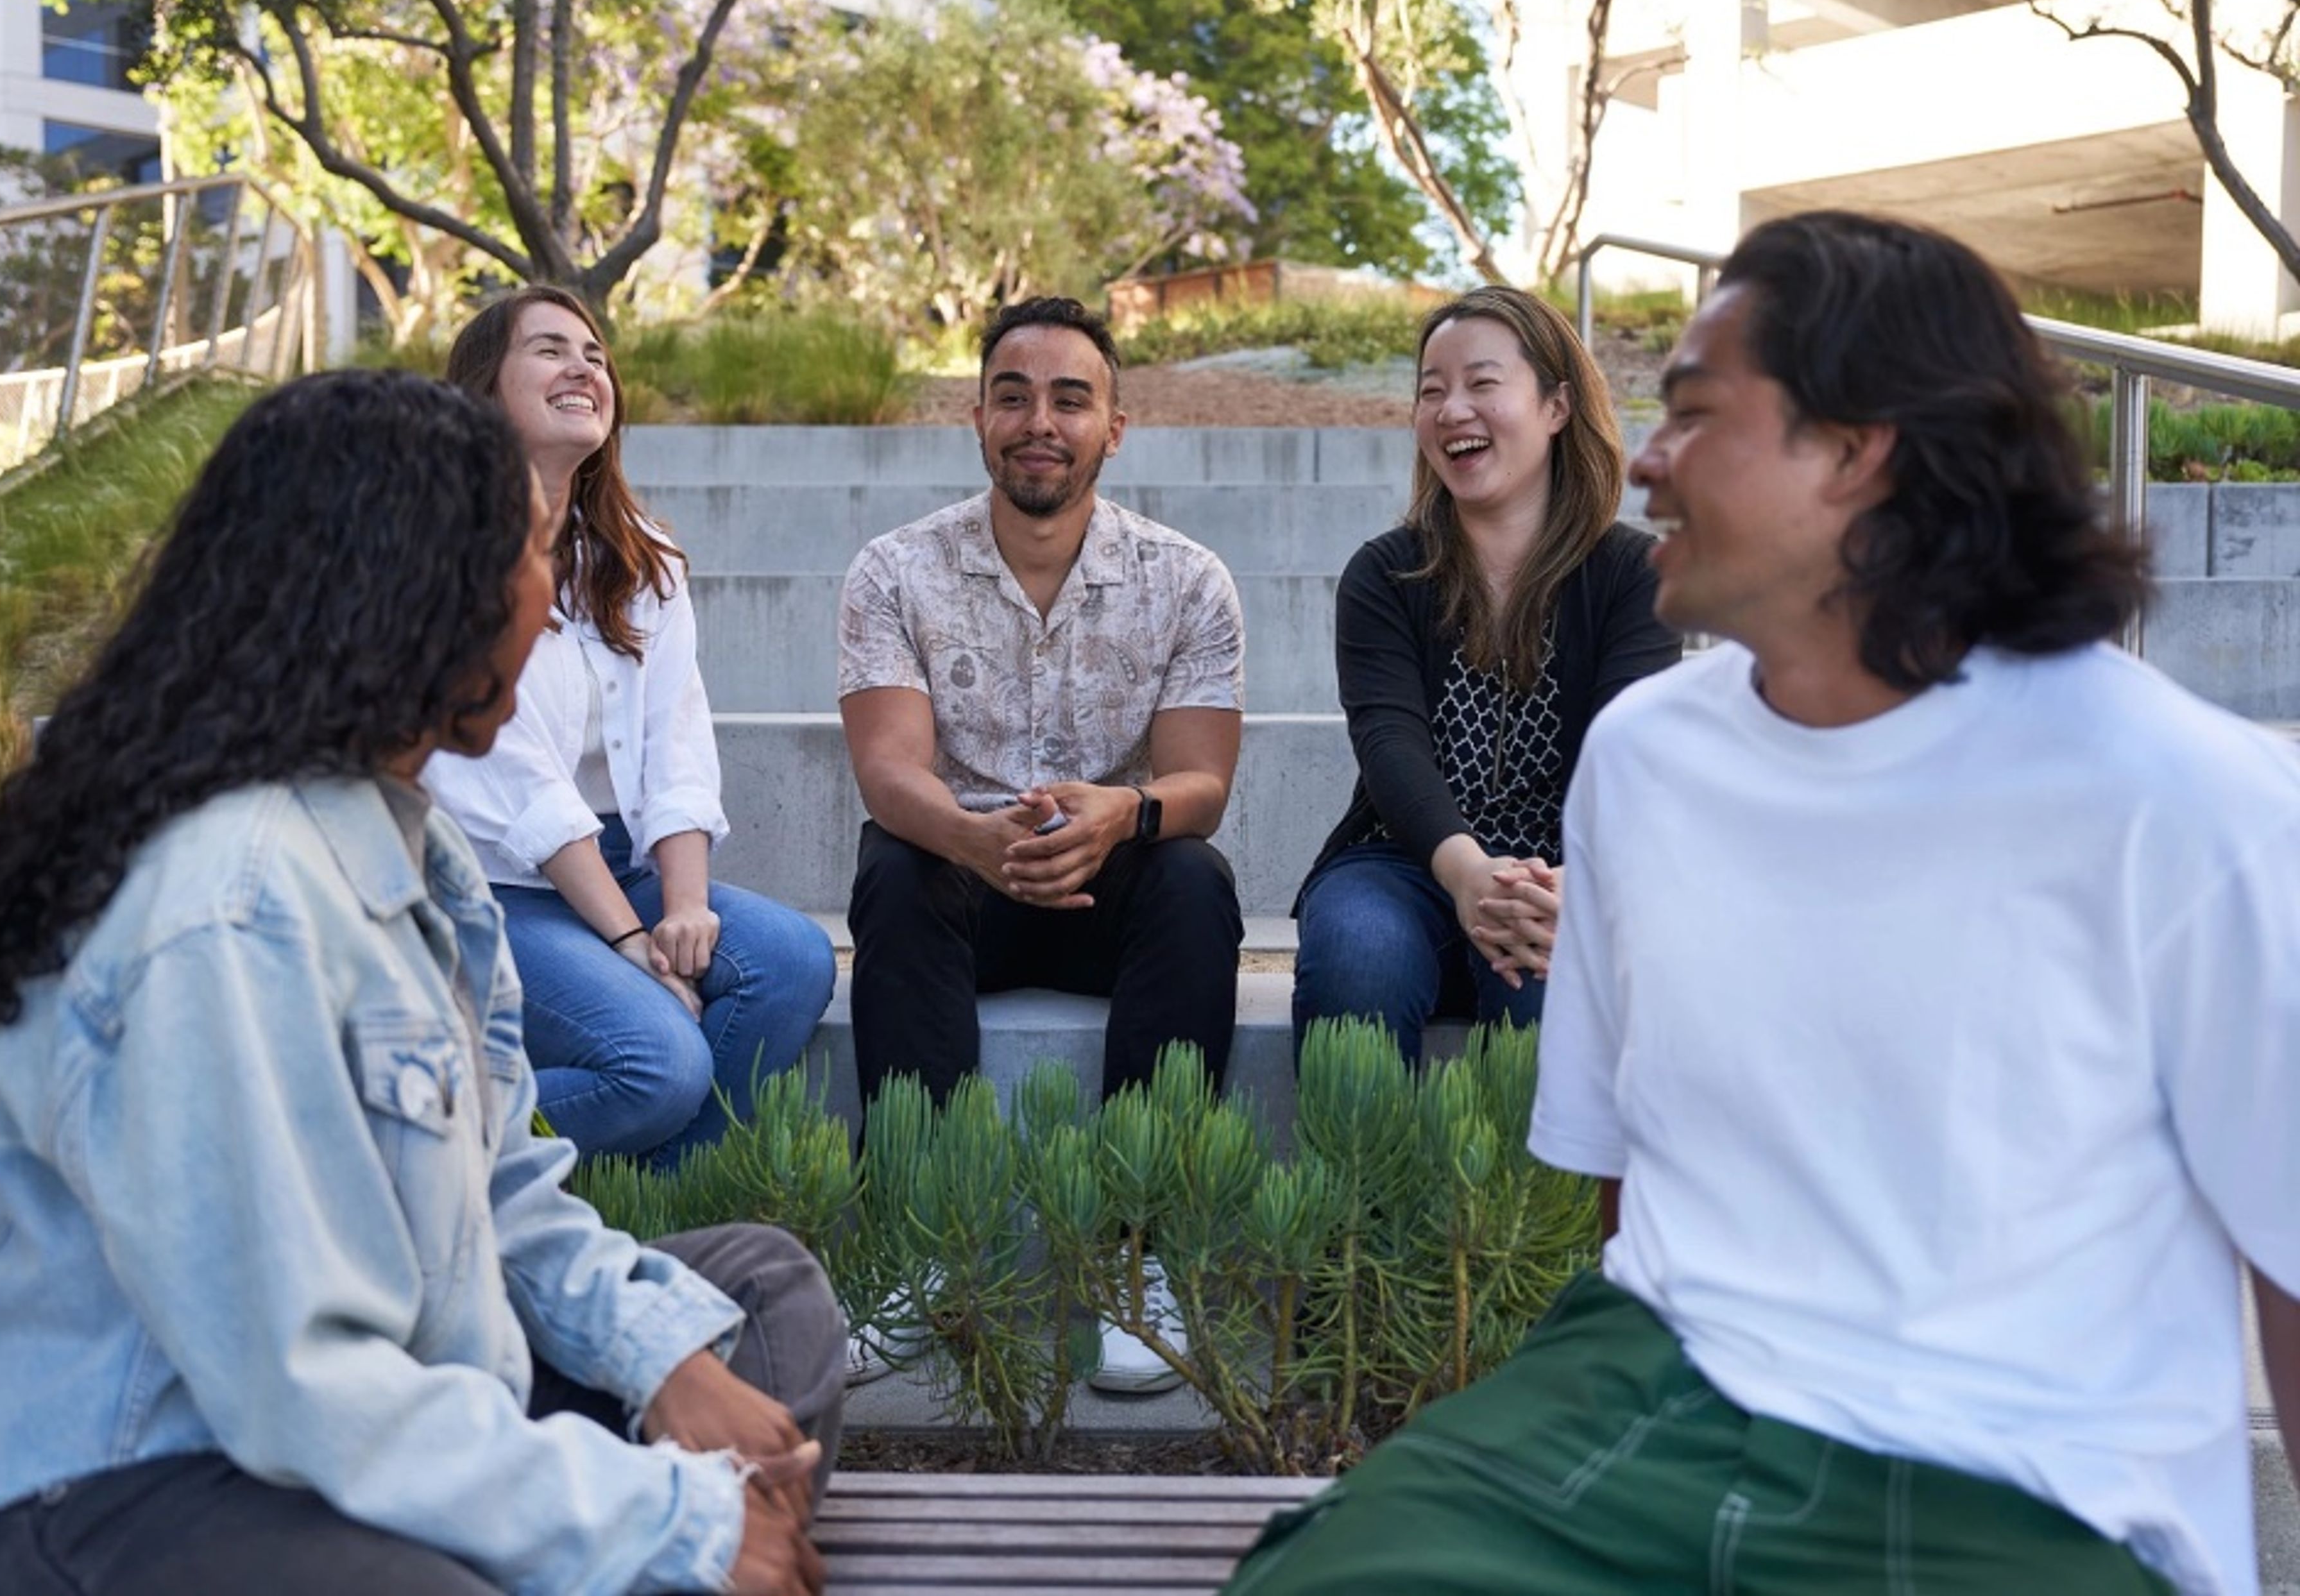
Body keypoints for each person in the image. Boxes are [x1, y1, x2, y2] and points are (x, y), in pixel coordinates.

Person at [1222, 212, 2300, 1595]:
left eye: (1694, 413)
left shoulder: (2196, 808)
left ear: (1859, 451)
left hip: (2026, 1471)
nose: (1651, 459)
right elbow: (1632, 1197)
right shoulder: (1650, 760)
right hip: (1660, 1390)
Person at [0, 373, 839, 1596]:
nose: (552, 607)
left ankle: (623, 1531)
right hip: (106, 1488)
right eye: (533, 558)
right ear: (421, 595)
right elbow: (291, 1375)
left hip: (367, 1408)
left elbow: (499, 1193)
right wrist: (661, 1516)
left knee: (752, 1296)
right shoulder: (230, 900)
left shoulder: (411, 852)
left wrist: (660, 1361)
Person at [837, 294, 1245, 1394]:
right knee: (895, 864)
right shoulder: (894, 570)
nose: (1040, 421)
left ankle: (1132, 1254)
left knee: (1194, 879)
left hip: (1107, 887)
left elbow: (1202, 782)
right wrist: (969, 837)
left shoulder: (1189, 578)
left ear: (1116, 426)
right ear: (976, 418)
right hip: (959, 882)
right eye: (1012, 396)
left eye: (1072, 398)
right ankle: (920, 1244)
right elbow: (889, 771)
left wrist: (1127, 813)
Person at [426, 287, 833, 1170]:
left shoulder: (639, 555)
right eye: (548, 350)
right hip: (489, 888)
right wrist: (627, 941)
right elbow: (515, 782)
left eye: (595, 355)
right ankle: (418, 1158)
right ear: (483, 390)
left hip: (618, 862)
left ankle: (645, 1217)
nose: (583, 367)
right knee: (658, 1066)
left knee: (792, 959)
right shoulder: (440, 554)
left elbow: (675, 744)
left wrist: (683, 906)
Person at [1290, 287, 1677, 1062]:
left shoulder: (1633, 573)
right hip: (1405, 860)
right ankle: (1365, 1190)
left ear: (1557, 406)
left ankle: (1525, 1194)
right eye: (1431, 391)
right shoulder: (1387, 573)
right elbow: (1388, 742)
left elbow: (1629, 754)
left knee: (1551, 983)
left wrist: (1580, 884)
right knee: (1358, 957)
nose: (1451, 409)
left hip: (1562, 873)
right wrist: (1467, 872)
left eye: (1482, 383)